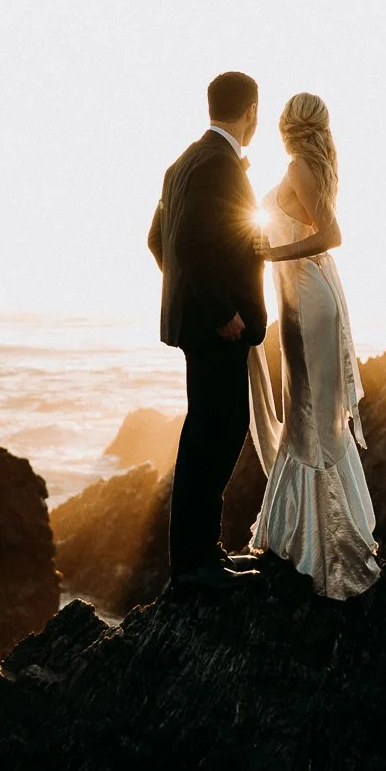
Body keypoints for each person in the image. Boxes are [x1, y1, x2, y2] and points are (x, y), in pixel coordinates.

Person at [246, 92, 380, 599]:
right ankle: (294, 534)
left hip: (306, 300)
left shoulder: (302, 166)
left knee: (309, 416)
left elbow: (333, 234)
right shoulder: (305, 166)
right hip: (298, 301)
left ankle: (326, 549)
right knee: (305, 413)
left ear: (287, 126)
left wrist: (274, 251)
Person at [147, 71, 269, 590]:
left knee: (207, 433)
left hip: (197, 323)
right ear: (252, 112)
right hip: (217, 328)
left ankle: (200, 556)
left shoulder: (182, 164)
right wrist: (220, 312)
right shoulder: (220, 165)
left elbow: (159, 241)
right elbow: (189, 246)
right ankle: (196, 566)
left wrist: (187, 299)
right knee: (216, 434)